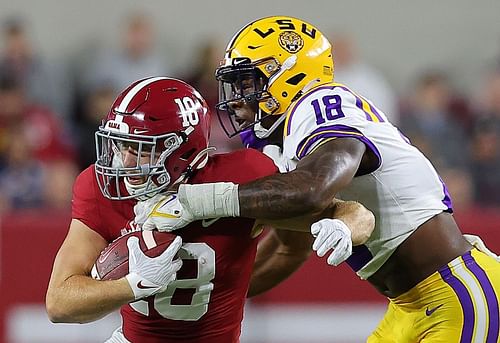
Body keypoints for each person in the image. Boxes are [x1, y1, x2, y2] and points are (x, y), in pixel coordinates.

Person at [141, 17, 500, 342]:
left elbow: (312, 189)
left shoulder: (320, 102)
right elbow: (287, 247)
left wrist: (196, 200)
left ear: (290, 75)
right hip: (408, 305)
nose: (237, 99)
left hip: (456, 291)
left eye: (247, 81)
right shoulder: (282, 142)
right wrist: (210, 295)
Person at [45, 77, 374, 343]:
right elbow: (59, 303)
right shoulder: (101, 187)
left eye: (140, 150)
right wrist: (133, 285)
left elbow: (357, 215)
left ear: (181, 150)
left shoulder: (241, 175)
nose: (124, 162)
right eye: (120, 146)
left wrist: (343, 227)